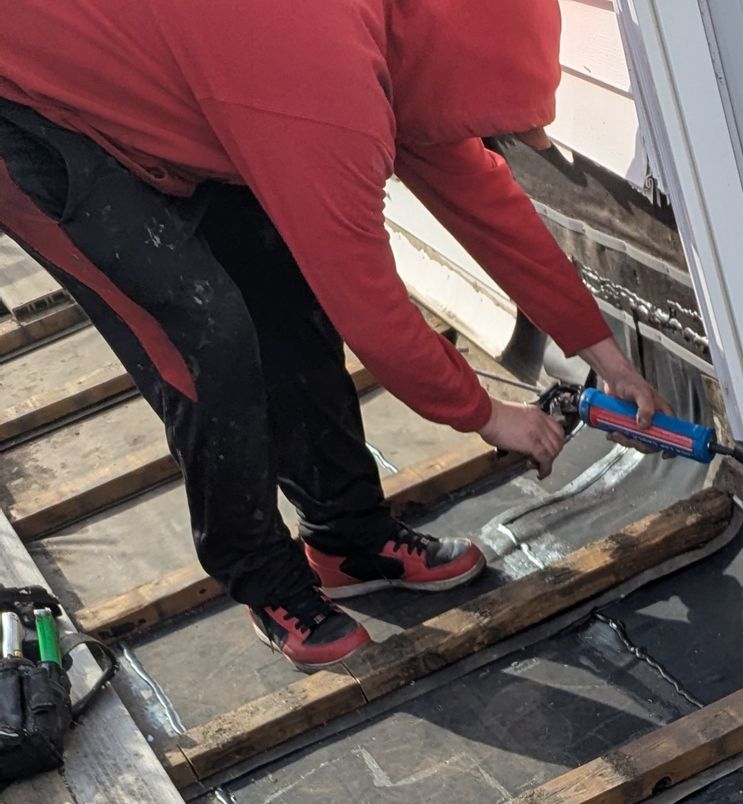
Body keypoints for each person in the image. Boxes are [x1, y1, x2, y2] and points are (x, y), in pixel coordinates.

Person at [0, 0, 660, 667]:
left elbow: (482, 196)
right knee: (205, 335)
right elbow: (367, 302)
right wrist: (488, 415)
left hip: (172, 83)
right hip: (26, 109)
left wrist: (605, 355)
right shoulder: (317, 79)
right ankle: (267, 581)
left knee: (283, 295)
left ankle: (348, 537)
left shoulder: (406, 34)